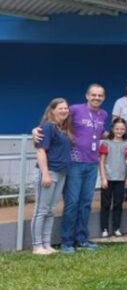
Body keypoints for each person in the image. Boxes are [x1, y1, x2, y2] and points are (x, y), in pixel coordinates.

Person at [33, 84, 109, 254]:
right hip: (74, 163)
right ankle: (67, 241)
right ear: (87, 96)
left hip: (92, 163)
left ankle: (81, 239)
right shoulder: (74, 109)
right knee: (72, 202)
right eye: (93, 95)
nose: (96, 98)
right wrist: (35, 130)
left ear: (103, 97)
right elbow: (55, 122)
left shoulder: (104, 114)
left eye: (100, 95)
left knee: (86, 203)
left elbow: (99, 133)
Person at [31, 98, 73, 255]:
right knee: (41, 210)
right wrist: (45, 174)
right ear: (52, 110)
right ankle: (37, 246)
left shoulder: (61, 128)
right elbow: (41, 151)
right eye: (61, 108)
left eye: (66, 108)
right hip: (50, 172)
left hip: (61, 172)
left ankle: (46, 244)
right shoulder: (48, 126)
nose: (64, 111)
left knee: (50, 210)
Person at [99, 118, 127, 238]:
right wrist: (103, 178)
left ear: (125, 129)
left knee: (118, 204)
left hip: (121, 178)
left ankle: (116, 228)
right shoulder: (106, 143)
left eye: (122, 129)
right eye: (117, 128)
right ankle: (104, 229)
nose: (119, 131)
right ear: (112, 129)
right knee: (105, 204)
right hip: (108, 178)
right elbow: (101, 161)